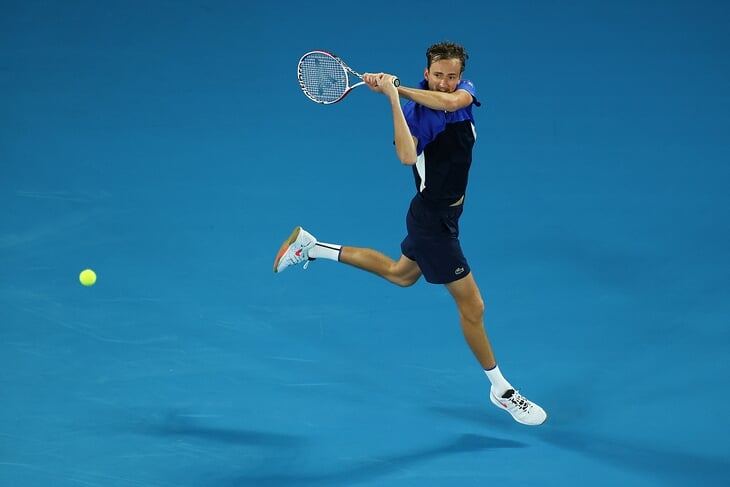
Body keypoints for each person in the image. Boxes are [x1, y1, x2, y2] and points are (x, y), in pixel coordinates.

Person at [274, 41, 546, 426]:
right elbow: (405, 156)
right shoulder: (416, 114)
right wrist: (393, 99)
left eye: (452, 76)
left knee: (400, 275)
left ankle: (311, 246)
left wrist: (396, 87)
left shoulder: (462, 94)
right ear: (426, 73)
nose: (446, 82)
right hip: (432, 223)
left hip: (446, 216)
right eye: (439, 75)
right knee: (473, 307)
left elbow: (451, 103)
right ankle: (501, 390)